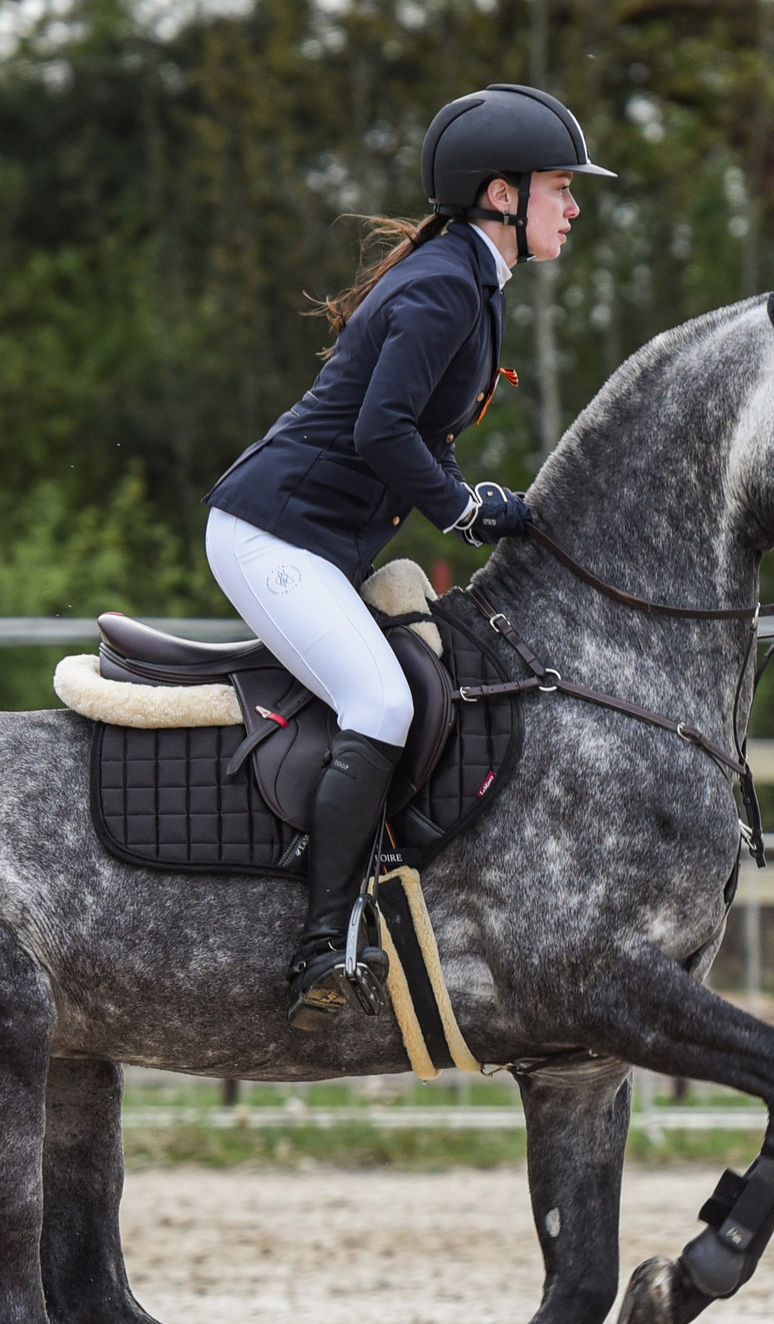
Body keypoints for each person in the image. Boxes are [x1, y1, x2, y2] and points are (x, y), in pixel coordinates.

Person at [205, 83, 611, 1028]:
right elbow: (383, 430)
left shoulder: (472, 281)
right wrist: (462, 511)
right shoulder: (443, 286)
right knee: (381, 702)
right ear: (503, 195)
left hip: (316, 540)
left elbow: (422, 433)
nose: (574, 206)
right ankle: (321, 944)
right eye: (561, 187)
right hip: (272, 533)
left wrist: (484, 497)